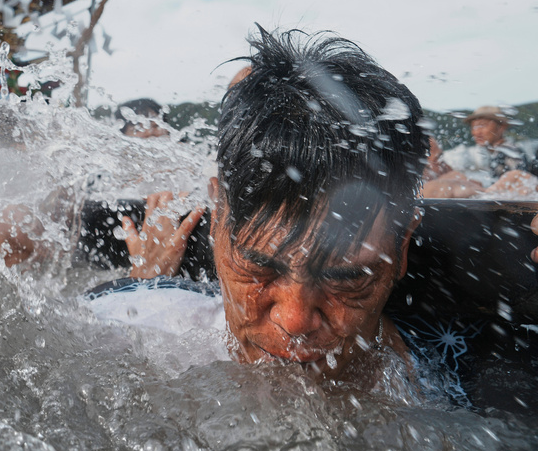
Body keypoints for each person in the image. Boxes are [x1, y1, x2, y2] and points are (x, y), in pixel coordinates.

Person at [113, 27, 431, 383]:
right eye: (257, 267)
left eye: (345, 277)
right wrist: (142, 293)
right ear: (216, 222)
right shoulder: (125, 332)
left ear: (402, 247)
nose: (294, 320)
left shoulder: (456, 374)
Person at [421, 105, 538, 199]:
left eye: (482, 125)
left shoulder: (508, 152)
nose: (477, 132)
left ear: (501, 127)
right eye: (474, 127)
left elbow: (519, 187)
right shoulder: (497, 152)